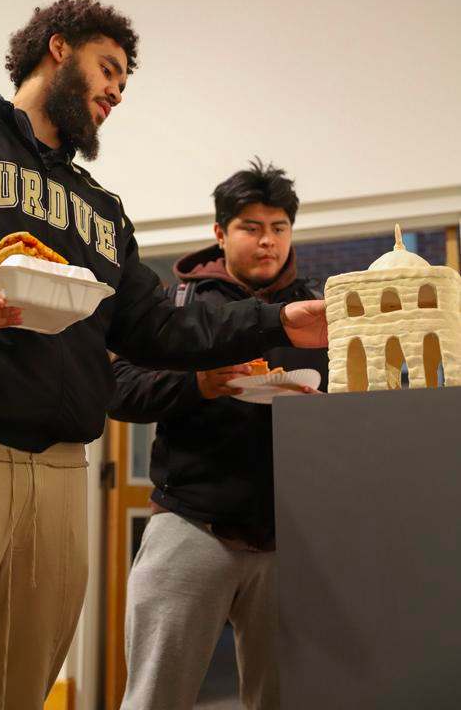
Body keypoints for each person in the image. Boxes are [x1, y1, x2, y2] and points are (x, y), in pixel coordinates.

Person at [0, 0, 326, 710]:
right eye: (107, 68)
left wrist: (277, 322)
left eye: (123, 81)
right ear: (57, 47)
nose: (116, 91)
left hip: (62, 468)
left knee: (19, 688)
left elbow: (157, 329)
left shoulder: (103, 210)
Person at [108, 159, 329, 710]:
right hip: (190, 522)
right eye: (251, 227)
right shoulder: (177, 306)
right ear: (220, 233)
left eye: (278, 227)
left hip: (291, 536)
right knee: (155, 696)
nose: (267, 241)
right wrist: (198, 385)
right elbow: (119, 388)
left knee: (286, 698)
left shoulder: (316, 312)